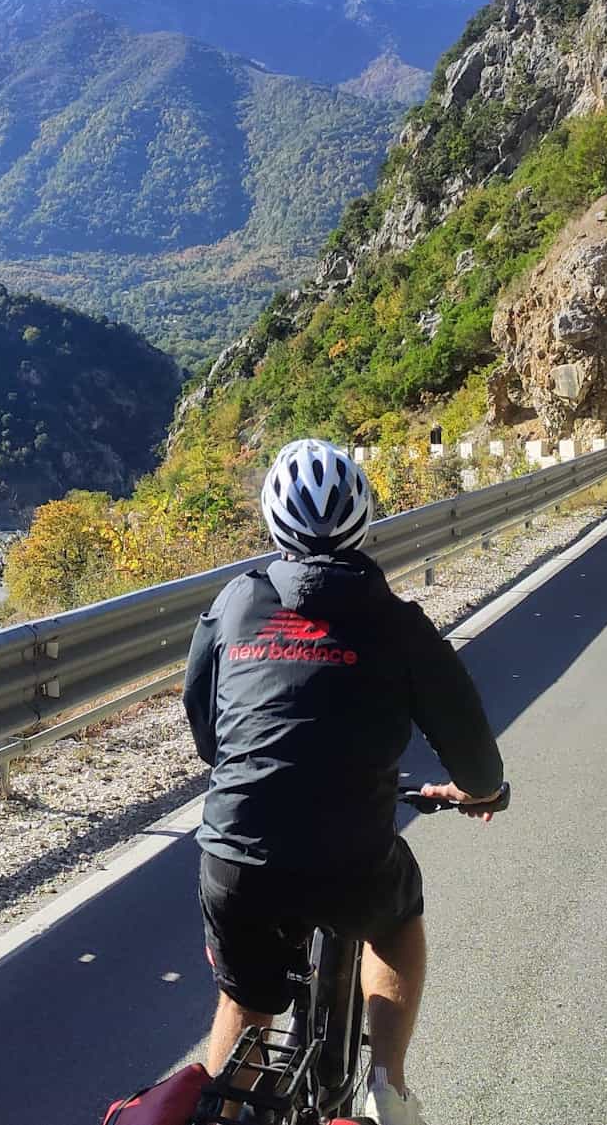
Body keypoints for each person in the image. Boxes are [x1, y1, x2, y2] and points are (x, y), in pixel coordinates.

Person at [183, 440, 504, 1125]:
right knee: (397, 915)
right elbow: (476, 757)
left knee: (245, 999)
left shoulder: (236, 603)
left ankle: (221, 1111)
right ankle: (387, 1089)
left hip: (237, 855)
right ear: (363, 525)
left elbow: (206, 728)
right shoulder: (400, 623)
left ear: (274, 528)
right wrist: (480, 792)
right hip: (350, 859)